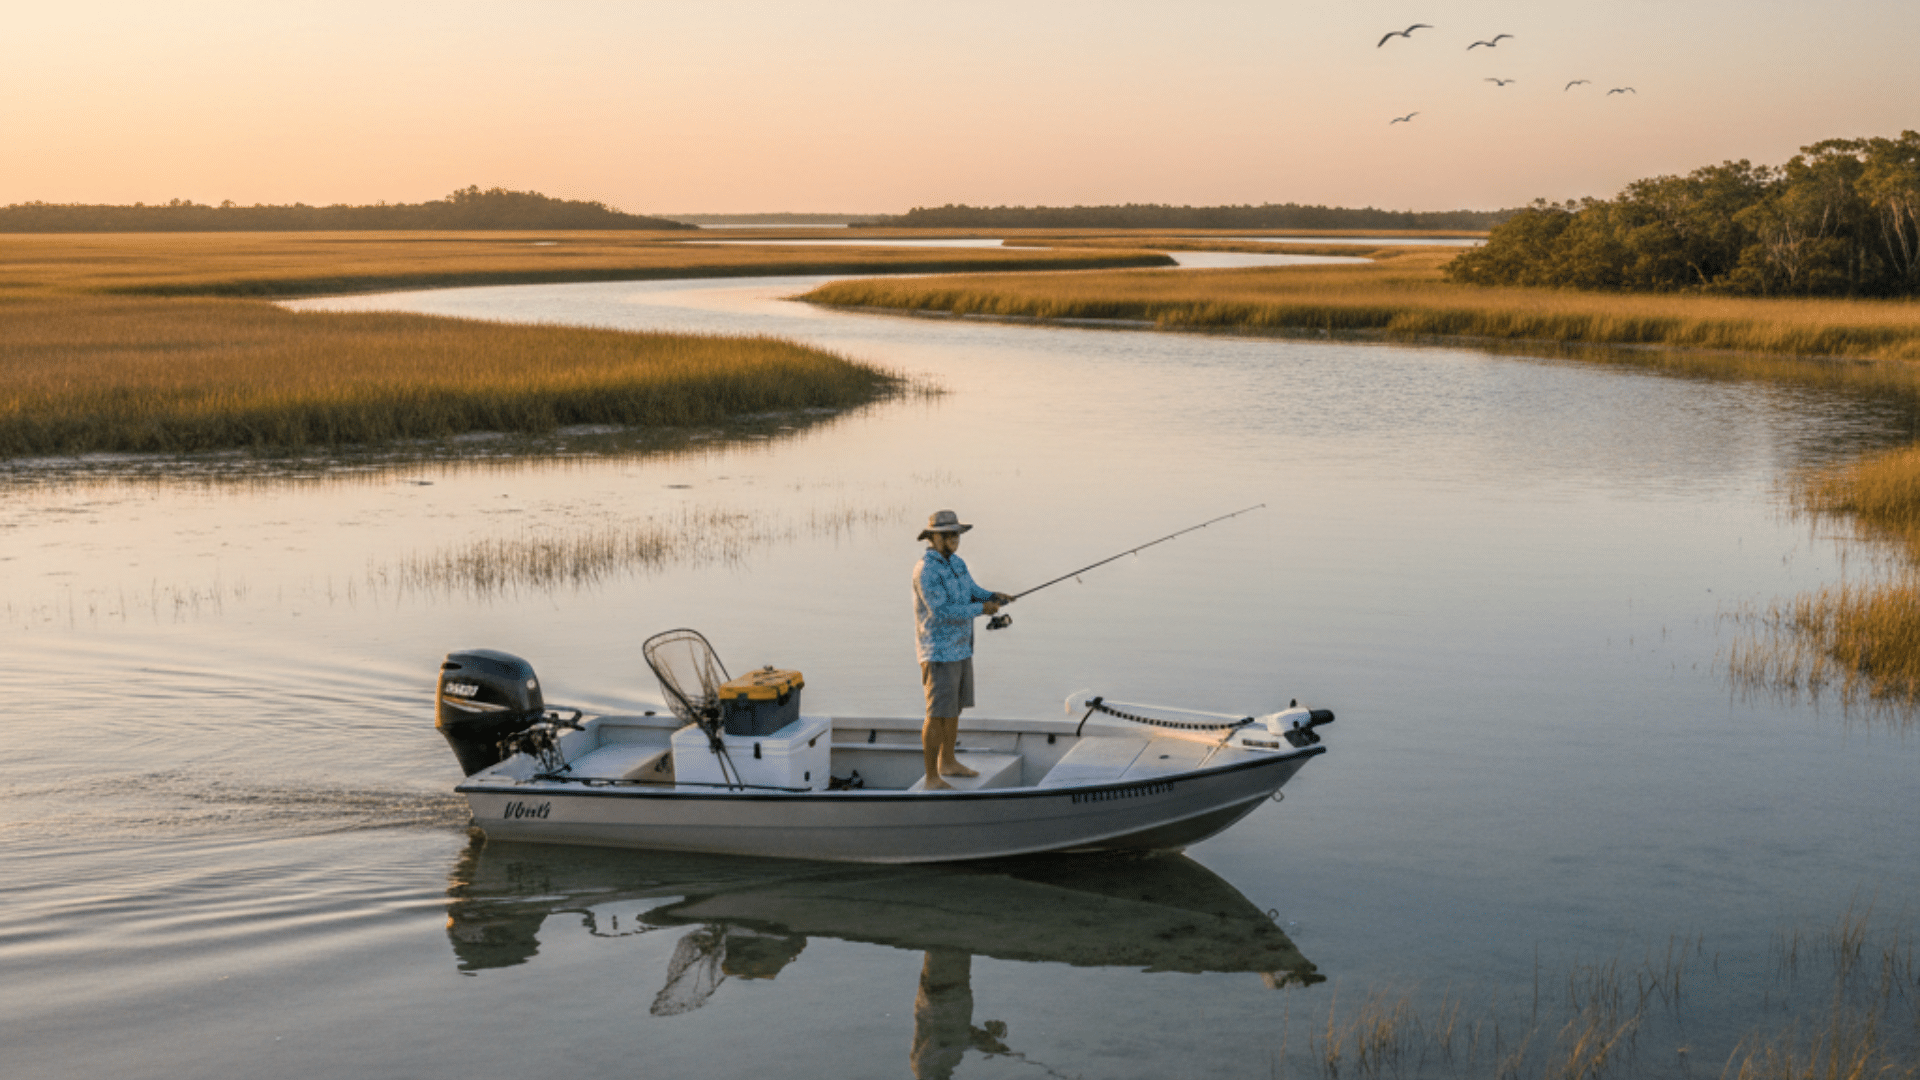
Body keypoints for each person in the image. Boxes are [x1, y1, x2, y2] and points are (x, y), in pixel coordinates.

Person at [911, 510, 1011, 791]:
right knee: (936, 713)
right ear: (933, 537)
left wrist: (992, 596)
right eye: (948, 534)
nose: (955, 539)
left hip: (961, 649)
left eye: (957, 533)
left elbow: (971, 590)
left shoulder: (957, 563)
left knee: (954, 710)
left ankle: (949, 762)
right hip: (938, 652)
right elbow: (941, 611)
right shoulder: (926, 570)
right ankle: (932, 777)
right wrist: (982, 609)